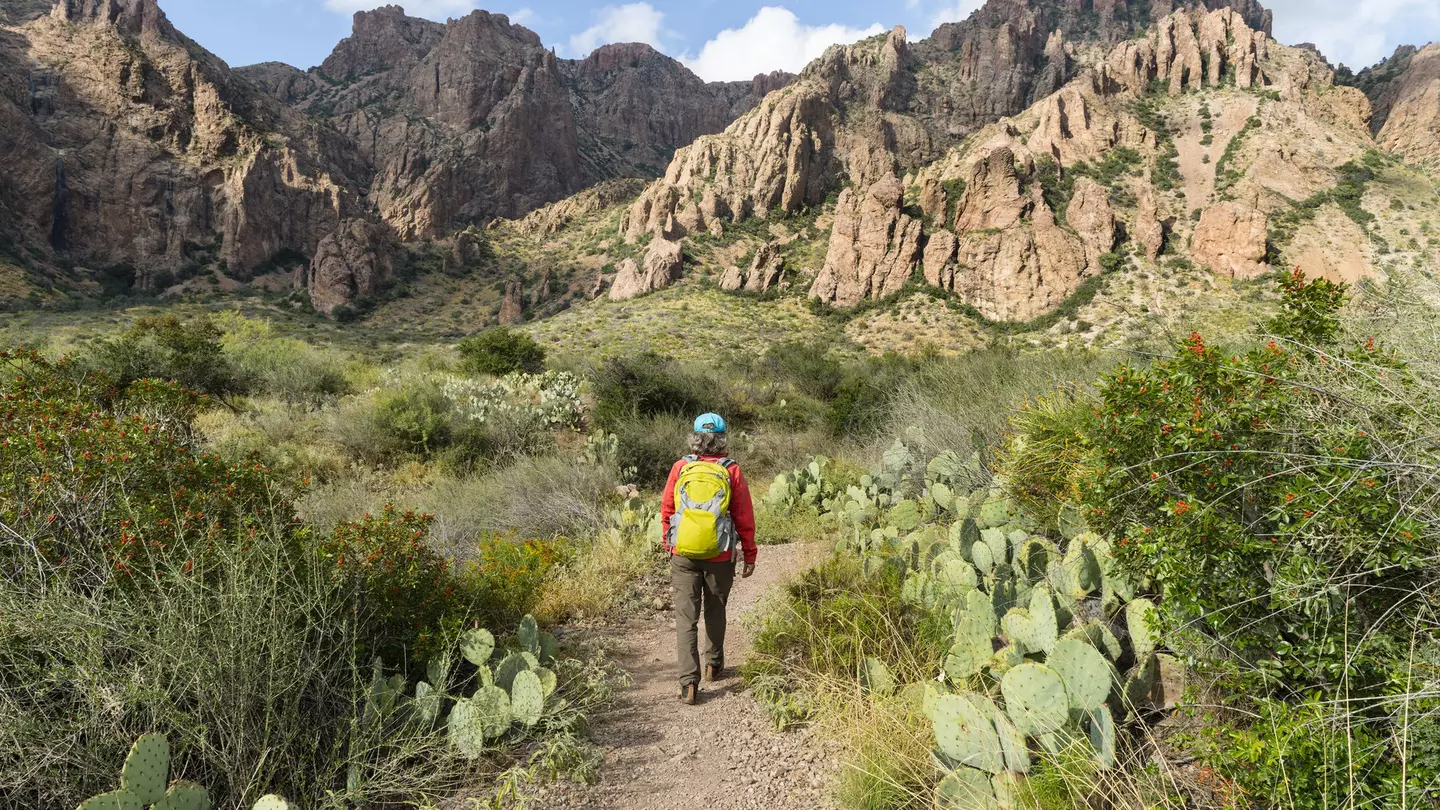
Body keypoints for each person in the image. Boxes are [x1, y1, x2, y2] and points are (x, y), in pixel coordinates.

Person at [660, 413, 757, 705]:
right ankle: (713, 665)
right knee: (715, 610)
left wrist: (669, 543)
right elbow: (743, 516)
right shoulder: (731, 470)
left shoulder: (680, 467)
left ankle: (689, 683)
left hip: (684, 553)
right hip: (720, 553)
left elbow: (667, 509)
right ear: (722, 438)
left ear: (695, 438)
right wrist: (749, 553)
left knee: (686, 619)